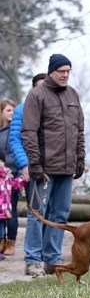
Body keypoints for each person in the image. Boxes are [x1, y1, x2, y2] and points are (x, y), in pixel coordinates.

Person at [21, 54, 85, 278]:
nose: (65, 74)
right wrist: (35, 163)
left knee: (60, 215)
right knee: (37, 214)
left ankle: (52, 259)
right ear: (51, 71)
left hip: (67, 169)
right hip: (44, 170)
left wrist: (80, 158)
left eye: (68, 71)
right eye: (61, 71)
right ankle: (32, 260)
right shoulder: (36, 95)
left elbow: (79, 131)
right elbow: (28, 132)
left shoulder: (73, 94)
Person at [10, 73, 46, 185]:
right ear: (33, 89)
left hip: (55, 167)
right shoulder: (21, 110)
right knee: (37, 202)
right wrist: (24, 164)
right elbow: (15, 140)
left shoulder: (57, 110)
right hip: (32, 167)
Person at [0, 99, 25, 259]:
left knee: (12, 210)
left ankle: (11, 242)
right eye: (8, 110)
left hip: (13, 174)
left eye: (13, 110)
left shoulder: (18, 131)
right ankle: (1, 240)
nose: (12, 113)